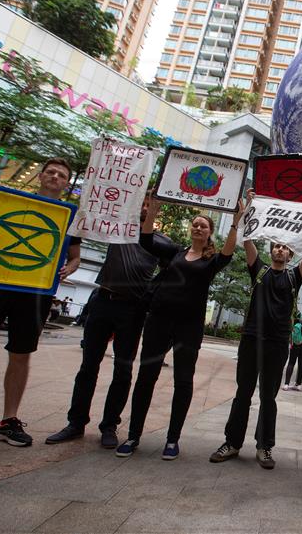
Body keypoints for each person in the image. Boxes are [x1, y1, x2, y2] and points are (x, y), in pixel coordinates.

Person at [0, 158, 81, 447]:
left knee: (21, 354)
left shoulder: (69, 218)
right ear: (40, 176)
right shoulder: (8, 203)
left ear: (66, 184)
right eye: (50, 172)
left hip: (35, 293)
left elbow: (75, 256)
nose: (55, 177)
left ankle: (8, 421)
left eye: (61, 175)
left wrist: (70, 267)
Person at [114, 197, 241, 460]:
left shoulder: (211, 261)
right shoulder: (174, 252)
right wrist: (155, 210)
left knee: (183, 381)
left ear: (209, 234)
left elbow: (228, 254)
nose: (198, 228)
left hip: (188, 327)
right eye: (195, 224)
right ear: (190, 229)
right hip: (159, 321)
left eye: (203, 226)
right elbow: (146, 239)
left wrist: (236, 223)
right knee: (146, 377)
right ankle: (133, 435)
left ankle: (173, 440)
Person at [46, 197, 172, 448]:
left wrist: (151, 296)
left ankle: (109, 426)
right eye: (142, 202)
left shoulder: (163, 243)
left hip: (133, 310)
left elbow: (173, 272)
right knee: (88, 367)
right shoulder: (117, 229)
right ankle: (76, 422)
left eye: (151, 204)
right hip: (103, 301)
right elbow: (85, 221)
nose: (145, 207)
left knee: (123, 371)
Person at [210, 189, 302, 469]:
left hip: (277, 343)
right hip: (251, 340)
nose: (280, 250)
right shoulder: (258, 270)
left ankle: (265, 447)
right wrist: (247, 210)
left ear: (290, 252)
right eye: (276, 246)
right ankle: (232, 443)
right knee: (242, 393)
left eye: (284, 247)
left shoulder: (295, 276)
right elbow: (246, 239)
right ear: (271, 250)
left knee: (268, 397)